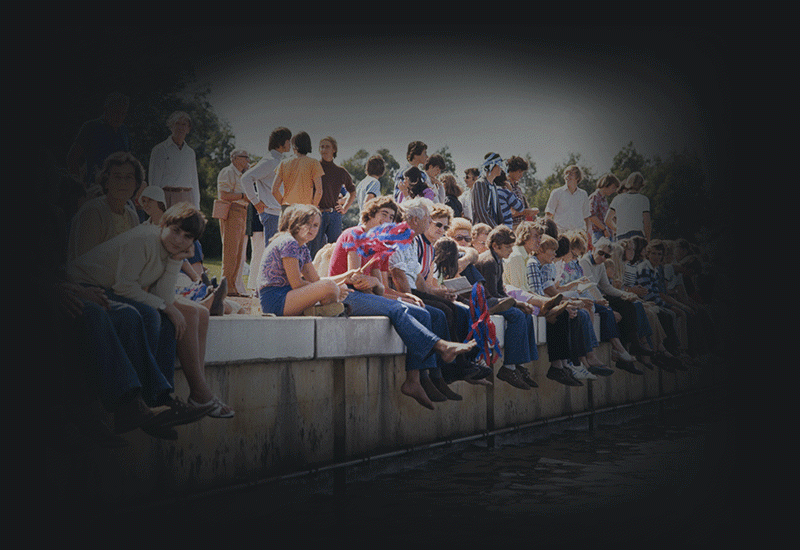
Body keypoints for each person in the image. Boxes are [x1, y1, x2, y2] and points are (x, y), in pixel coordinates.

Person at [68, 202, 235, 418]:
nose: (179, 240)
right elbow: (124, 286)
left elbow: (161, 294)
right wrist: (167, 307)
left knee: (166, 321)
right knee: (151, 315)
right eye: (175, 231)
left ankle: (163, 399)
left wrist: (176, 261)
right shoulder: (145, 239)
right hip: (84, 286)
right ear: (163, 225)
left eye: (187, 237)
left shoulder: (170, 251)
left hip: (111, 289)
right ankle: (148, 396)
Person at [329, 197, 478, 409]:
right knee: (399, 308)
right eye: (383, 215)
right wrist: (394, 296)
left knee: (422, 312)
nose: (387, 220)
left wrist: (404, 297)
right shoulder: (354, 234)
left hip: (365, 296)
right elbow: (355, 280)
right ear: (370, 214)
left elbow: (378, 287)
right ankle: (440, 348)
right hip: (347, 295)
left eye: (391, 216)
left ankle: (415, 379)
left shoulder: (378, 243)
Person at [474, 224, 540, 390]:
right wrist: (516, 303)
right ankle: (508, 367)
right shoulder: (489, 261)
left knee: (525, 314)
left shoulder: (499, 260)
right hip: (483, 302)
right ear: (495, 246)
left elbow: (499, 291)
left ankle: (519, 365)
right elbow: (490, 294)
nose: (511, 250)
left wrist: (519, 304)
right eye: (508, 247)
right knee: (517, 315)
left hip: (493, 299)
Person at [258, 204, 353, 317]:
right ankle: (322, 308)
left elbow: (315, 280)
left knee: (336, 287)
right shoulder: (289, 242)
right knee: (330, 287)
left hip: (289, 296)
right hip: (276, 299)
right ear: (296, 223)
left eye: (315, 225)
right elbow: (297, 284)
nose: (311, 229)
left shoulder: (302, 247)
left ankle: (317, 310)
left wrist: (343, 278)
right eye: (307, 223)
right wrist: (330, 289)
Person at [241, 127, 293, 296]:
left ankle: (266, 287)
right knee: (270, 251)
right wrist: (256, 202)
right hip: (271, 213)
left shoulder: (278, 160)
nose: (291, 144)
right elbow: (246, 178)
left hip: (279, 212)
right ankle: (262, 290)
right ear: (282, 142)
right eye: (289, 140)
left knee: (274, 251)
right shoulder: (270, 160)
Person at [67, 151, 143, 262]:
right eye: (117, 177)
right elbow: (86, 264)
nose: (122, 182)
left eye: (128, 177)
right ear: (106, 182)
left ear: (136, 184)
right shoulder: (92, 212)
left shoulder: (132, 216)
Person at [66, 92, 131, 198]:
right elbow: (72, 158)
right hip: (96, 188)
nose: (119, 117)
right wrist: (79, 185)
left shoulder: (124, 131)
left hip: (119, 189)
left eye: (122, 113)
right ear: (106, 109)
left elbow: (128, 160)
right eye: (115, 112)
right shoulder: (91, 127)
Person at [308, 136, 356, 260]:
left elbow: (352, 191)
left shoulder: (340, 171)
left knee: (336, 250)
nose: (324, 149)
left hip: (334, 215)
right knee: (314, 251)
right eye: (322, 146)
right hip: (317, 214)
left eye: (327, 146)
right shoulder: (314, 167)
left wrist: (344, 208)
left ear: (334, 149)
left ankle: (333, 278)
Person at [216, 148, 251, 296]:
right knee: (231, 250)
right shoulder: (228, 172)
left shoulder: (242, 174)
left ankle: (231, 285)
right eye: (245, 157)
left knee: (238, 252)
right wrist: (243, 195)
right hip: (232, 210)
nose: (248, 161)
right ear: (235, 158)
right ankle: (226, 285)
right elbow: (223, 194)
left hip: (242, 211)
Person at [148, 111, 200, 209]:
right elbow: (154, 181)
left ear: (188, 129)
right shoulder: (160, 150)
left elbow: (194, 181)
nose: (180, 128)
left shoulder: (190, 153)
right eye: (177, 124)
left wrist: (197, 206)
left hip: (187, 199)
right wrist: (155, 205)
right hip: (167, 197)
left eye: (184, 124)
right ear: (171, 126)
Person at [272, 131, 324, 209]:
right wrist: (314, 206)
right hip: (305, 208)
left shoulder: (283, 163)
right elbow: (319, 191)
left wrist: (283, 203)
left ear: (294, 146)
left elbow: (274, 190)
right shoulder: (314, 163)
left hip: (287, 207)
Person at [545, 164, 592, 241]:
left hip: (579, 235)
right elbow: (548, 215)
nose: (567, 176)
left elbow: (587, 217)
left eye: (571, 174)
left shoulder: (583, 194)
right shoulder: (556, 193)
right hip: (561, 235)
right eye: (566, 173)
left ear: (577, 178)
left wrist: (588, 233)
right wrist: (549, 233)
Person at [606, 171, 651, 241]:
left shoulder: (617, 198)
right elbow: (647, 223)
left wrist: (617, 229)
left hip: (621, 236)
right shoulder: (643, 199)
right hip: (638, 236)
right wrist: (648, 240)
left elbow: (607, 220)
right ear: (641, 185)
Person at [470, 152, 505, 227]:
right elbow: (481, 212)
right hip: (482, 230)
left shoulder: (494, 186)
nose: (501, 168)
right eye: (499, 165)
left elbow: (498, 211)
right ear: (492, 166)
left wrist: (501, 227)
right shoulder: (480, 184)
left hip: (493, 229)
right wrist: (494, 228)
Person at [504, 155, 539, 229]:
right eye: (519, 172)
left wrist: (531, 215)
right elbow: (510, 212)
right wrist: (527, 212)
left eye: (522, 172)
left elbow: (524, 209)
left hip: (521, 227)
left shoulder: (518, 188)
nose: (521, 175)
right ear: (511, 170)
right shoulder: (504, 186)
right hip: (510, 227)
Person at [588, 173, 620, 244]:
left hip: (608, 235)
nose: (614, 190)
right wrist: (604, 229)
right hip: (599, 234)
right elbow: (591, 215)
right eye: (613, 187)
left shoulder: (604, 199)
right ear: (606, 184)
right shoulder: (595, 197)